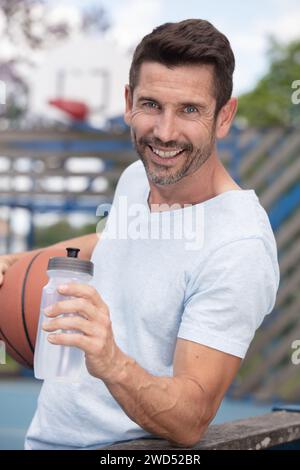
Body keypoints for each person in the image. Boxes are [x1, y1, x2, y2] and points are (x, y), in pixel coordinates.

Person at [0, 19, 279, 450]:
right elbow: (113, 243)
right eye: (151, 105)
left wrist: (110, 360)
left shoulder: (238, 247)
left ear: (223, 117)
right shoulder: (139, 176)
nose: (164, 133)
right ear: (129, 102)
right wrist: (19, 264)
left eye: (189, 109)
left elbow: (191, 419)